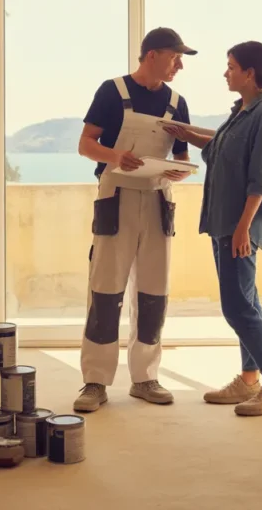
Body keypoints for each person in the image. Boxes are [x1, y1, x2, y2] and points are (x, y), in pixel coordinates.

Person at [163, 40, 262, 417]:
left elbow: (261, 179)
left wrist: (242, 229)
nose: (226, 72)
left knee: (237, 308)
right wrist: (187, 134)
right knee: (247, 302)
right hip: (225, 222)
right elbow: (220, 147)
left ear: (250, 74)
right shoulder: (242, 113)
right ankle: (249, 379)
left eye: (231, 67)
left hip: (239, 226)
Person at [73, 27, 197, 413]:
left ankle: (145, 378)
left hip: (159, 200)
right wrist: (115, 157)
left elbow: (181, 155)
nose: (179, 65)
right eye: (175, 57)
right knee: (106, 291)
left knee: (154, 293)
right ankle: (95, 381)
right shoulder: (112, 92)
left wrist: (181, 171)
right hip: (116, 198)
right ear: (151, 55)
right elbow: (85, 144)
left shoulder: (178, 102)